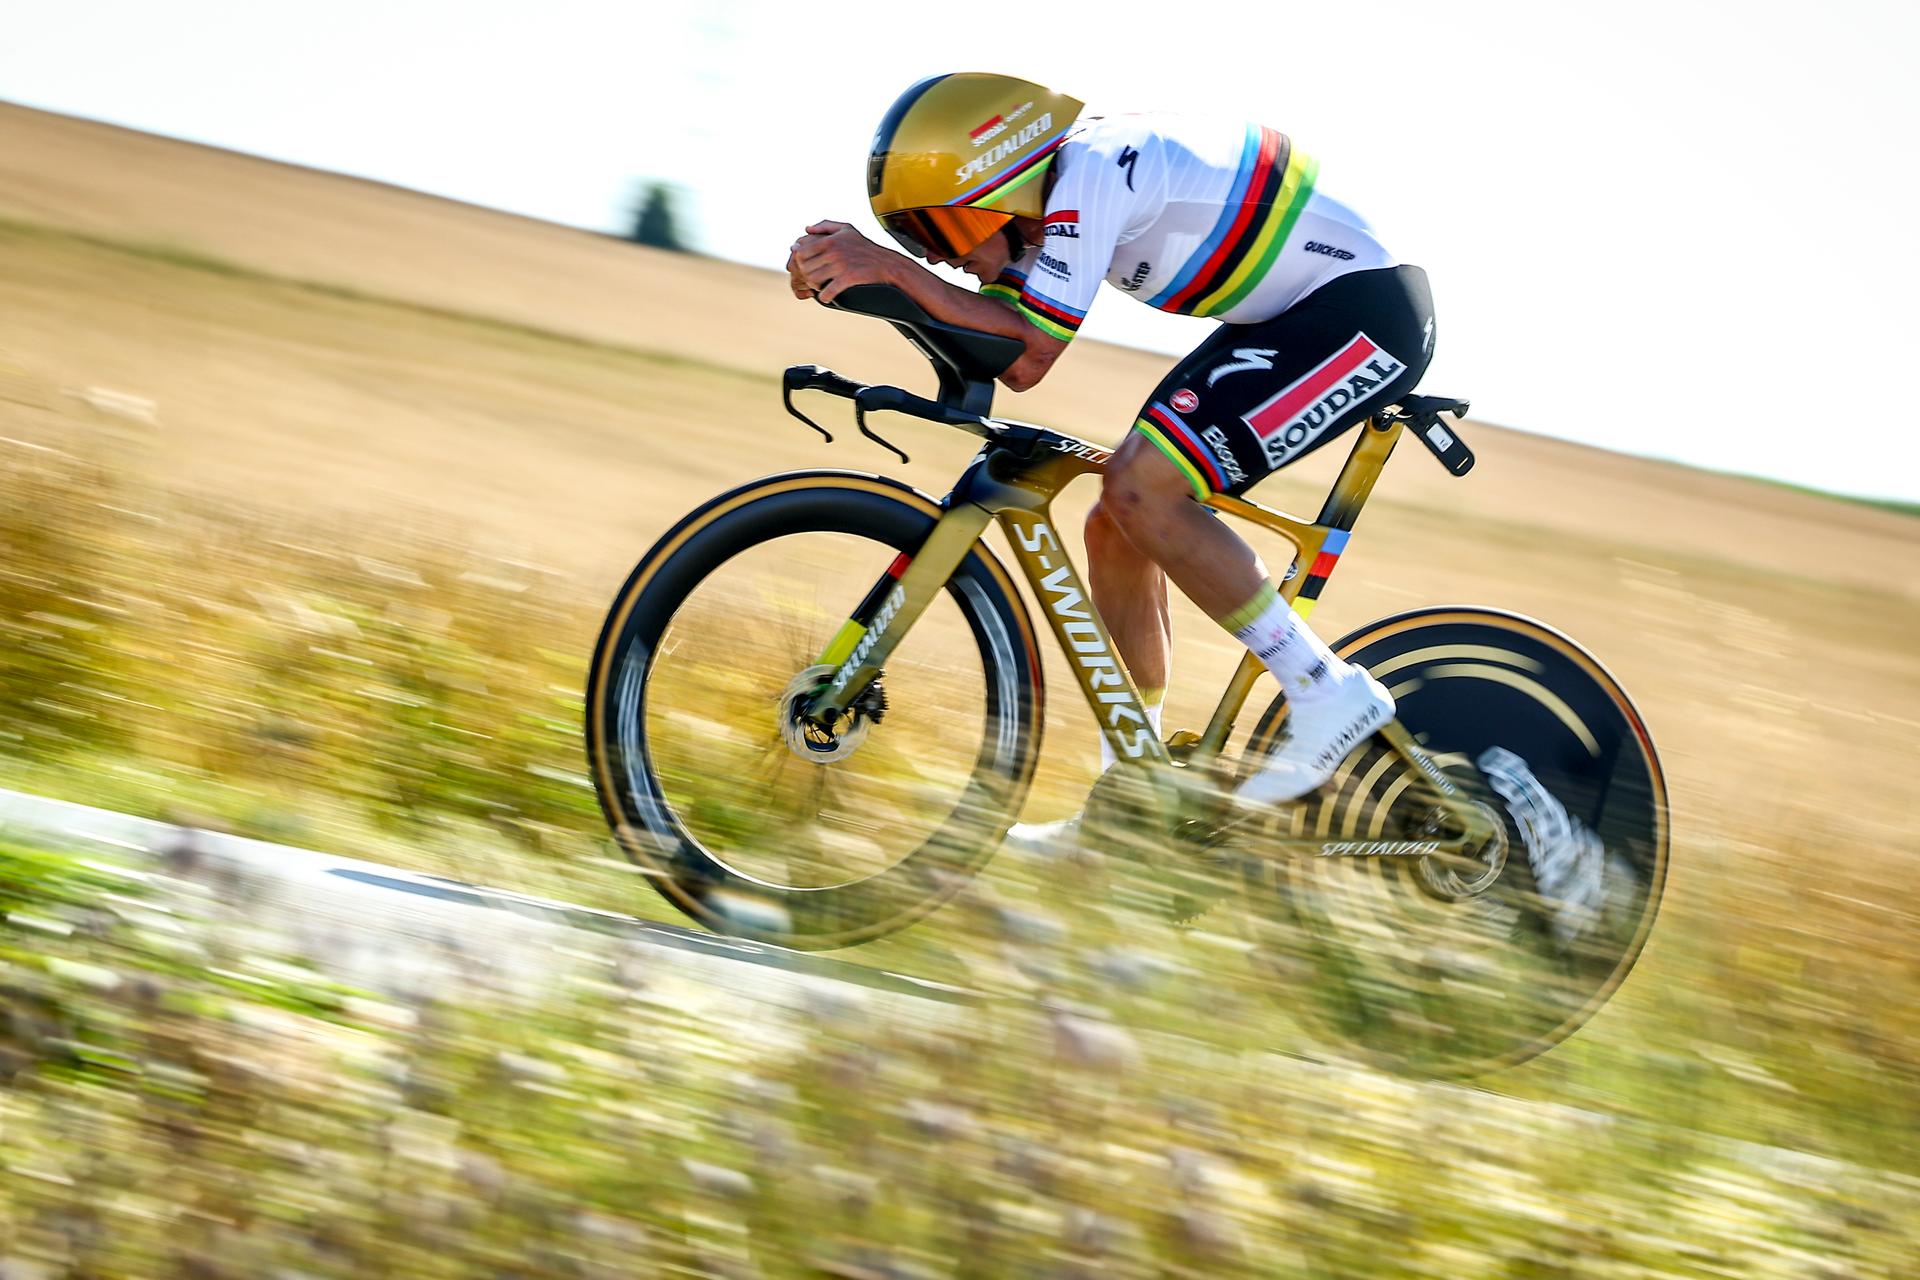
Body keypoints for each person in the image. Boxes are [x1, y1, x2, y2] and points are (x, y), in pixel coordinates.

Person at [787, 72, 1434, 823]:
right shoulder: (1045, 210)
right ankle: (1132, 794)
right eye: (915, 240)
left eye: (941, 231)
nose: (941, 257)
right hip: (1293, 317)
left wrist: (890, 269)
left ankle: (1327, 690)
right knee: (1115, 518)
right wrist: (866, 287)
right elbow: (986, 342)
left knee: (1141, 489)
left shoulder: (1090, 172)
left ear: (997, 180)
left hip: (1365, 312)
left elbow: (1027, 356)